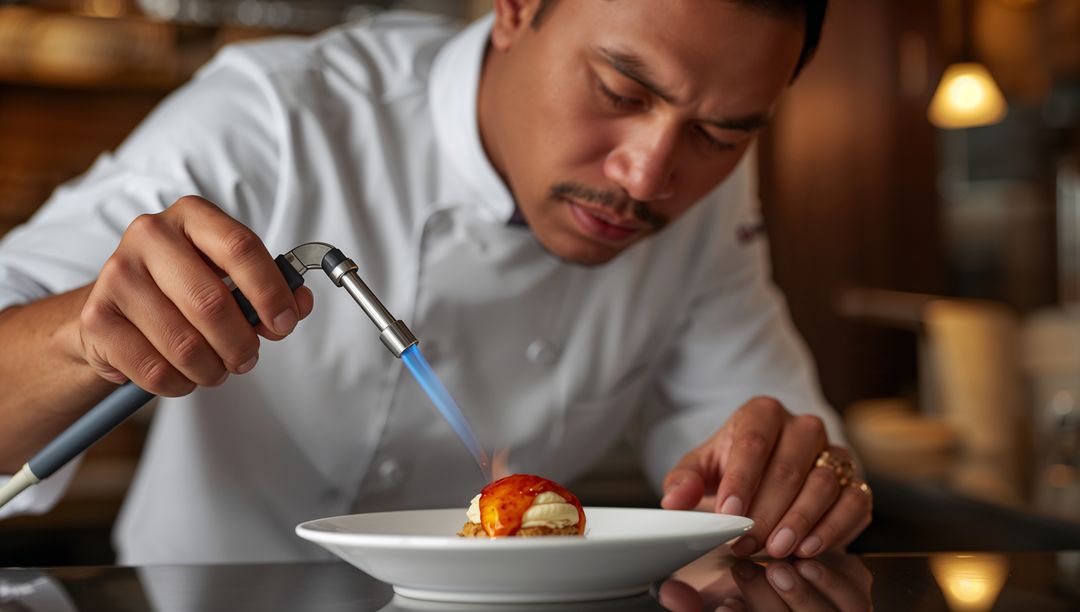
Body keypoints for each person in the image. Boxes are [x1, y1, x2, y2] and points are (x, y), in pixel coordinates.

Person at [0, 0, 871, 564]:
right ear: (516, 7)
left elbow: (749, 433)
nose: (649, 176)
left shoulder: (706, 199)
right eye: (619, 89)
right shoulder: (276, 118)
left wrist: (796, 474)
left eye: (721, 135)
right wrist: (86, 335)